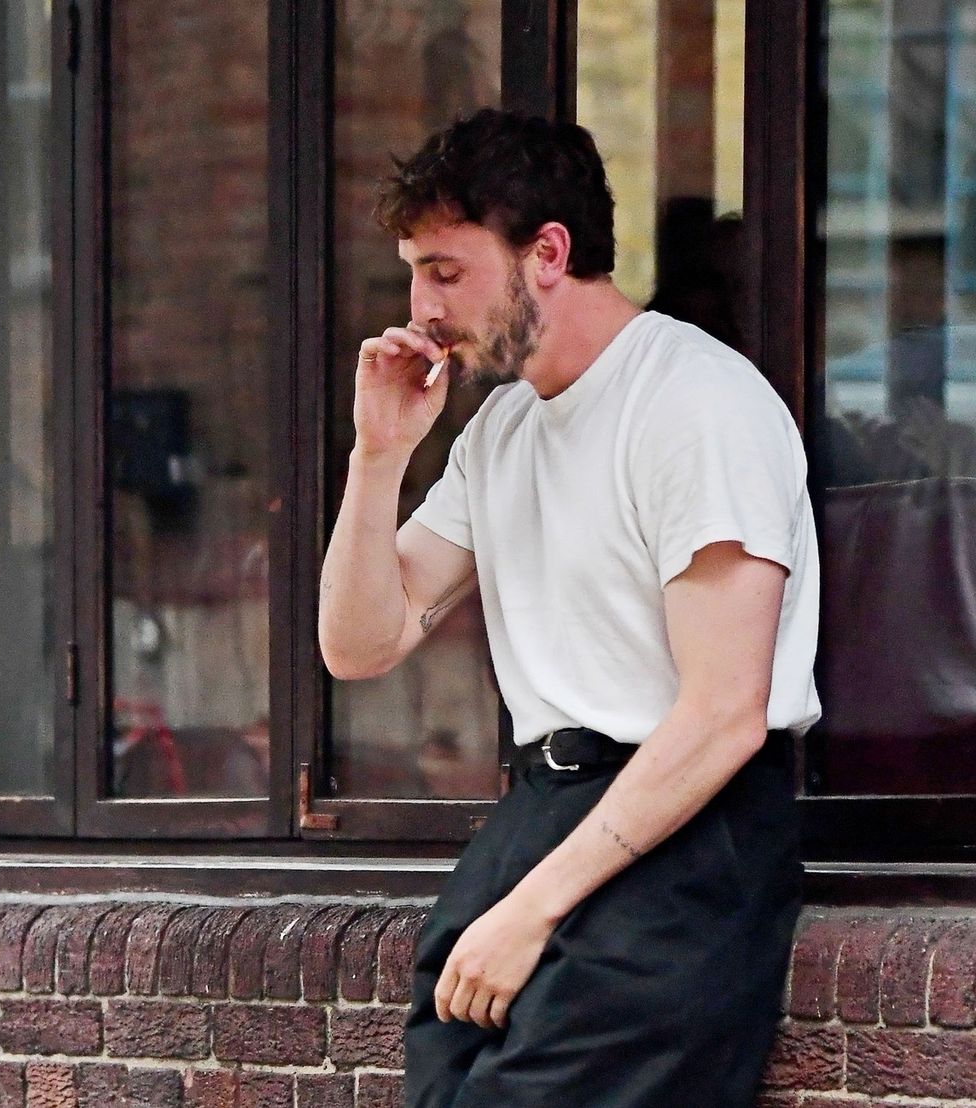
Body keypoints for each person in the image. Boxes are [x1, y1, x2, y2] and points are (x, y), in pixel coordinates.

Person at [318, 109, 821, 1107]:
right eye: (414, 273)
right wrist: (378, 454)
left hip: (684, 830)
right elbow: (359, 644)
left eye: (446, 271)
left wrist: (531, 910)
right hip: (542, 813)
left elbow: (724, 714)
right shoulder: (502, 428)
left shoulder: (695, 402)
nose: (420, 308)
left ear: (546, 253)